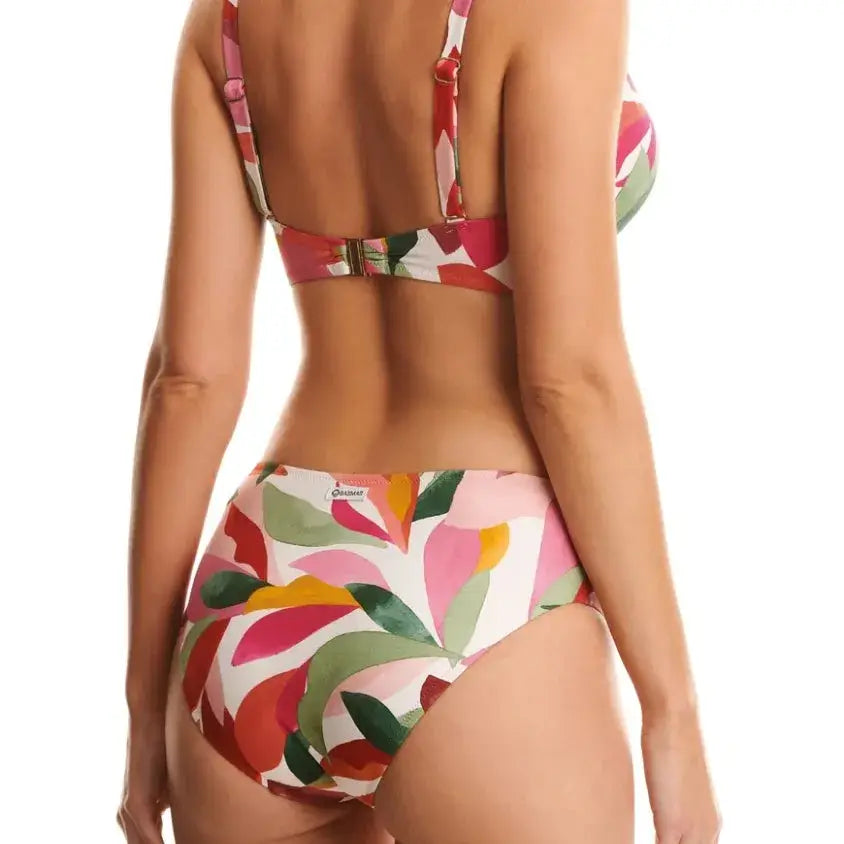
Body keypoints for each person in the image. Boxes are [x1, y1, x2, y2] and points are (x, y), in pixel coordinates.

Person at [118, 0, 720, 842]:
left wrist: (146, 706)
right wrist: (672, 711)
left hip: (258, 589)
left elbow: (189, 380)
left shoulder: (225, 19)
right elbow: (569, 383)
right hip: (476, 582)